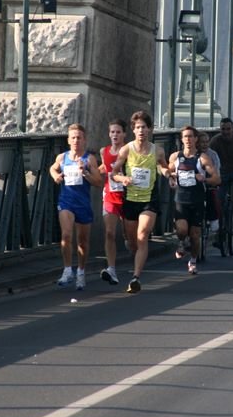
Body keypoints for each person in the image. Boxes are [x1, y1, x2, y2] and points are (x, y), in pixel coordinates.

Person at [111, 111, 170, 293]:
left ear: (150, 129)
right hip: (130, 199)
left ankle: (136, 277)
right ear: (133, 130)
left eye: (144, 127)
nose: (141, 130)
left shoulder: (157, 150)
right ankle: (135, 254)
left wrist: (168, 174)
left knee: (142, 234)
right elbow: (114, 173)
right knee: (133, 241)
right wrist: (123, 179)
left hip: (149, 200)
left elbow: (163, 166)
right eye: (137, 127)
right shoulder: (126, 149)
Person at [48, 123, 102, 290]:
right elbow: (52, 168)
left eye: (79, 137)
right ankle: (67, 270)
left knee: (83, 242)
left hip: (83, 204)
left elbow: (99, 182)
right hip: (66, 202)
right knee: (65, 235)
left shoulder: (89, 159)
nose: (76, 140)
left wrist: (85, 172)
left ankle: (81, 271)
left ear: (84, 140)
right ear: (68, 140)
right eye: (73, 138)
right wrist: (56, 176)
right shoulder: (62, 158)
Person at [168, 126, 220, 274]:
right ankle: (181, 242)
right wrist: (171, 179)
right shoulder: (175, 157)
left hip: (197, 200)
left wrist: (204, 178)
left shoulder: (202, 158)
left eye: (191, 136)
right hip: (181, 199)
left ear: (196, 139)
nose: (188, 140)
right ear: (181, 139)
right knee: (182, 229)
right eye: (185, 136)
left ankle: (193, 261)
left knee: (195, 235)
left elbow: (216, 178)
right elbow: (167, 171)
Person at [98, 119, 127, 285]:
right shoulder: (104, 151)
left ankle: (136, 258)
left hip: (128, 196)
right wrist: (89, 168)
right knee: (109, 233)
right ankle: (112, 269)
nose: (115, 135)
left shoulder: (129, 151)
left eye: (118, 132)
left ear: (124, 134)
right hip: (110, 195)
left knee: (130, 236)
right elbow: (105, 167)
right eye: (112, 132)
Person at [198, 132, 222, 233]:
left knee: (211, 194)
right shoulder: (192, 153)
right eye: (202, 142)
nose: (204, 144)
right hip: (194, 183)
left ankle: (213, 218)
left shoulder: (212, 154)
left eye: (206, 142)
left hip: (209, 182)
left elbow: (216, 171)